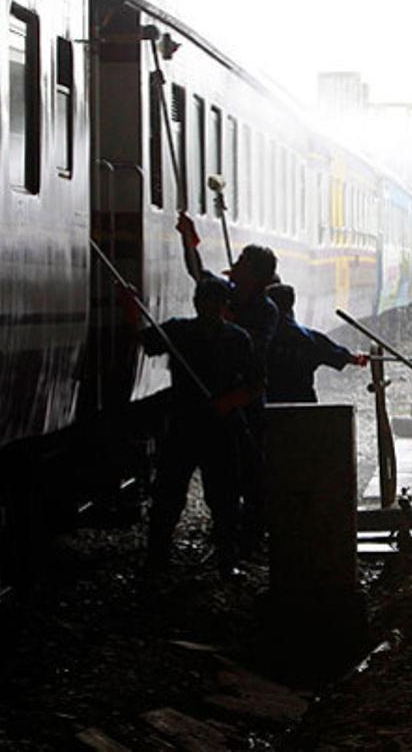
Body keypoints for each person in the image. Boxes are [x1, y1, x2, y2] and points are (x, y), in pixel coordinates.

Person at [133, 278, 264, 577]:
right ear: (196, 303)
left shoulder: (238, 339)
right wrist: (131, 306)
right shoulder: (178, 331)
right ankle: (157, 558)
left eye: (212, 302)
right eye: (202, 301)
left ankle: (226, 559)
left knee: (224, 497)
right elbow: (146, 341)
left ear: (223, 305)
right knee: (169, 494)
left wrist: (229, 401)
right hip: (185, 424)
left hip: (221, 426)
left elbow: (256, 384)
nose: (206, 306)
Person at [175, 212, 278, 554]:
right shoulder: (227, 295)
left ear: (257, 275)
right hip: (217, 397)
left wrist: (230, 323)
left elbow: (254, 346)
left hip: (246, 399)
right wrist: (188, 241)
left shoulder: (266, 310)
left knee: (252, 469)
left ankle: (251, 533)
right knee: (224, 473)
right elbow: (198, 275)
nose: (235, 264)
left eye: (243, 263)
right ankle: (228, 536)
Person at [265, 284, 368, 403]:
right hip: (304, 406)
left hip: (268, 405)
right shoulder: (309, 338)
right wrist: (356, 359)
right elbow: (335, 353)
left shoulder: (260, 337)